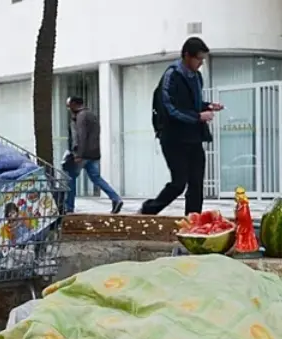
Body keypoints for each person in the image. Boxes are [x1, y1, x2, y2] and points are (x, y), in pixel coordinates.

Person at [141, 37, 223, 216]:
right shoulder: (172, 75)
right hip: (173, 138)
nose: (201, 63)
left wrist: (207, 105)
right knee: (179, 182)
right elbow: (170, 108)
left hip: (193, 137)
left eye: (202, 59)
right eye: (198, 59)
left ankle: (193, 220)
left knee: (196, 183)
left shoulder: (197, 77)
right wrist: (198, 116)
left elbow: (191, 104)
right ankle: (148, 210)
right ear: (187, 55)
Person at [63, 96, 123, 214]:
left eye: (69, 105)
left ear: (75, 104)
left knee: (70, 178)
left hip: (82, 155)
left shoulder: (80, 116)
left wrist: (78, 154)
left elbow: (81, 136)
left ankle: (69, 207)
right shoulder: (91, 115)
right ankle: (115, 198)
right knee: (96, 178)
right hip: (94, 154)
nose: (68, 108)